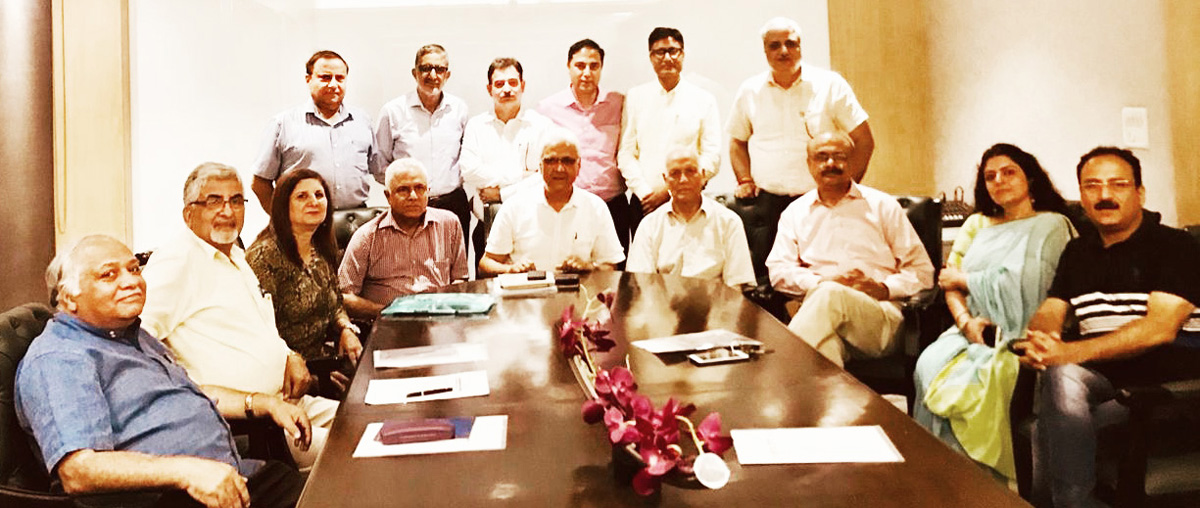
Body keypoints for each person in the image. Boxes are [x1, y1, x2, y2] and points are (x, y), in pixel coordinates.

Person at [17, 235, 309, 508]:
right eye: (109, 274)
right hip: (174, 498)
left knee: (339, 489)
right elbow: (79, 471)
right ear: (68, 297)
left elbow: (187, 391)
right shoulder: (61, 358)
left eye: (134, 269)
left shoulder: (129, 334)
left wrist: (261, 402)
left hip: (237, 479)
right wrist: (186, 471)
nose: (131, 281)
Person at [1012, 147, 1200, 507]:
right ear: (1081, 196)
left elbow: (1158, 329)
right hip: (1102, 380)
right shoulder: (1078, 252)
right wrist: (1042, 342)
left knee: (1043, 432)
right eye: (1092, 186)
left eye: (1118, 185)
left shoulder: (1175, 245)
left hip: (1164, 388)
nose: (1104, 195)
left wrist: (1069, 351)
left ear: (1139, 193)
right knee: (1058, 378)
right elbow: (1051, 310)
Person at [141, 162, 337, 469]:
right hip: (254, 426)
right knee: (359, 453)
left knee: (371, 424)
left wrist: (289, 355)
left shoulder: (233, 254)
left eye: (235, 200)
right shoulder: (177, 261)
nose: (227, 211)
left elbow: (255, 325)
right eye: (213, 201)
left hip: (291, 402)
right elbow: (135, 340)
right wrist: (194, 392)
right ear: (188, 214)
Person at [911, 143, 1073, 480]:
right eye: (990, 176)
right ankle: (941, 478)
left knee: (989, 375)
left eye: (1008, 172)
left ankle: (985, 482)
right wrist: (967, 323)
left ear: (1030, 177)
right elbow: (948, 283)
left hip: (1020, 331)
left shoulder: (1052, 225)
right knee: (929, 362)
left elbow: (1028, 284)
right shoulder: (980, 225)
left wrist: (966, 278)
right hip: (971, 329)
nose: (999, 180)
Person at [766, 132, 934, 367]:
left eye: (839, 157)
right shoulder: (795, 213)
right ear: (809, 164)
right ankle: (828, 405)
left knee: (830, 294)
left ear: (852, 162)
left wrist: (884, 289)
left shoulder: (883, 206)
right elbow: (778, 271)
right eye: (822, 157)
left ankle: (772, 375)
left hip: (878, 317)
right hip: (819, 319)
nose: (830, 164)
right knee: (821, 352)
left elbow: (922, 271)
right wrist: (820, 283)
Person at [728, 17, 873, 281]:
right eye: (775, 45)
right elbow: (737, 141)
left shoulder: (830, 85)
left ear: (800, 46)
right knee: (771, 283)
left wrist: (847, 184)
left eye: (790, 44)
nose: (783, 51)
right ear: (765, 51)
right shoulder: (750, 90)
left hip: (819, 201)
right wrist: (744, 179)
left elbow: (863, 140)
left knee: (822, 276)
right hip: (767, 205)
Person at [247, 169, 363, 394]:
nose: (314, 202)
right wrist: (316, 380)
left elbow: (336, 304)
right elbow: (261, 331)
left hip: (323, 364)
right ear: (282, 205)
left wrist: (346, 329)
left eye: (319, 195)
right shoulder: (264, 257)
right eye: (302, 196)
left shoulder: (320, 249)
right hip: (286, 378)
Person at [618, 27, 721, 234]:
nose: (667, 58)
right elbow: (626, 153)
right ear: (651, 57)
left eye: (673, 51)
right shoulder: (636, 96)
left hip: (689, 199)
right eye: (660, 52)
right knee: (643, 265)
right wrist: (646, 193)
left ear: (682, 54)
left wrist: (668, 191)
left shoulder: (703, 99)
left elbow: (712, 156)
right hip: (644, 203)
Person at [251, 50, 382, 212]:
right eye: (325, 77)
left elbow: (379, 170)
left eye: (340, 78)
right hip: (305, 223)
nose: (334, 84)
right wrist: (282, 221)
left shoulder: (362, 121)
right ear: (308, 79)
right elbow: (260, 183)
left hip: (355, 223)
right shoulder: (283, 124)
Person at [480, 129, 624, 275]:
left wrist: (589, 268)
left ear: (579, 166)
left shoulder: (596, 208)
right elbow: (486, 263)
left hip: (579, 294)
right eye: (551, 161)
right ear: (540, 167)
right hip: (526, 295)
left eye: (567, 161)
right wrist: (510, 269)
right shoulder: (514, 207)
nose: (559, 168)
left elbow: (611, 266)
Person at [338, 158, 468, 318]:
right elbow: (345, 296)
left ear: (428, 191)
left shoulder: (450, 224)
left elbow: (460, 279)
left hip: (438, 319)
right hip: (386, 323)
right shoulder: (367, 236)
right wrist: (388, 312)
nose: (413, 196)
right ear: (388, 196)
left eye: (419, 188)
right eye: (403, 190)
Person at [538, 39, 630, 253]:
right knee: (570, 269)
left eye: (593, 66)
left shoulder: (619, 103)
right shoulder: (548, 108)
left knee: (613, 273)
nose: (587, 72)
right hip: (570, 205)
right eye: (580, 66)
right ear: (568, 67)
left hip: (613, 205)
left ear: (601, 68)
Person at [459, 57, 552, 266]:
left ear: (523, 85)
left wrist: (500, 193)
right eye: (499, 84)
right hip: (486, 229)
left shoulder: (541, 126)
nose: (507, 89)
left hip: (530, 230)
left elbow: (545, 177)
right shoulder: (476, 125)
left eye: (513, 82)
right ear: (489, 89)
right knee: (488, 293)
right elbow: (469, 170)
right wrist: (520, 175)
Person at [375, 44, 471, 245]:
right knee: (408, 268)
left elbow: (467, 156)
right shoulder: (393, 111)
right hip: (407, 206)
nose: (433, 75)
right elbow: (379, 164)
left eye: (439, 69)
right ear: (414, 72)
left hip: (452, 204)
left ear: (448, 74)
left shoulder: (459, 110)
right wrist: (403, 191)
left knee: (455, 270)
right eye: (426, 68)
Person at [627, 146, 755, 289]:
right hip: (663, 307)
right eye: (675, 173)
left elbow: (736, 287)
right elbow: (641, 284)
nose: (683, 179)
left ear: (702, 176)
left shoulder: (729, 222)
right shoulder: (649, 226)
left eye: (690, 171)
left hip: (715, 308)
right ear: (666, 179)